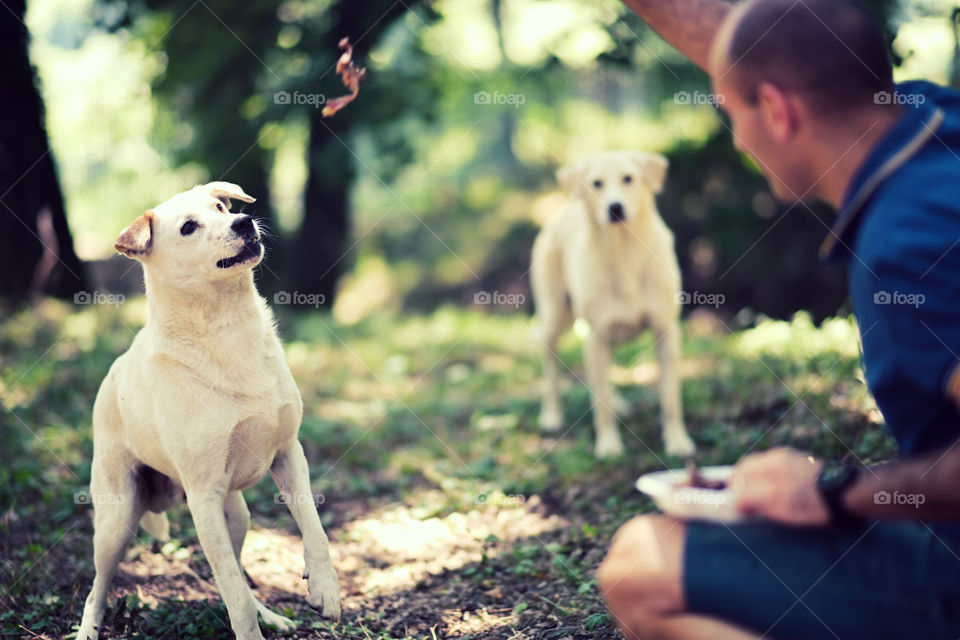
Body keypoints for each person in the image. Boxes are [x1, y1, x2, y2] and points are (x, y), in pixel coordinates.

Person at [596, 1, 960, 638]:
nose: (736, 140)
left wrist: (831, 494)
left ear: (777, 111)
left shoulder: (906, 249)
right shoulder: (931, 120)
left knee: (638, 567)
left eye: (731, 114)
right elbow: (770, 49)